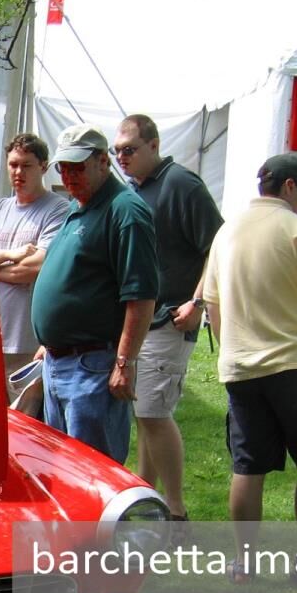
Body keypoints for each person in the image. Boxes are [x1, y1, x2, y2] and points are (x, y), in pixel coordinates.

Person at [202, 153, 297, 584]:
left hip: (242, 368)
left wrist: (232, 347)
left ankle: (243, 563)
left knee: (248, 466)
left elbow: (211, 301)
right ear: (289, 187)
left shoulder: (227, 233)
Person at [113, 113, 223, 524]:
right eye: (117, 151)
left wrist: (198, 303)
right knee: (144, 412)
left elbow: (218, 247)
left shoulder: (181, 185)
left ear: (154, 145)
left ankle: (176, 510)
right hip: (140, 320)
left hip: (171, 318)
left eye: (130, 149)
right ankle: (148, 496)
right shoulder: (135, 189)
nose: (122, 157)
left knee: (153, 414)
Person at [31, 123, 158, 464]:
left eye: (78, 167)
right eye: (64, 168)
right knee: (62, 471)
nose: (69, 176)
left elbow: (141, 295)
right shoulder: (79, 205)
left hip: (92, 367)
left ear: (103, 161)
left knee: (91, 472)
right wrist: (50, 341)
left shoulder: (125, 211)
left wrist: (124, 362)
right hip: (60, 361)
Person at [0, 133, 69, 404]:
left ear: (43, 167)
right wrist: (11, 254)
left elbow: (34, 267)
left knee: (25, 421)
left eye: (27, 165)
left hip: (27, 340)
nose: (18, 172)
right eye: (13, 164)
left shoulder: (58, 210)